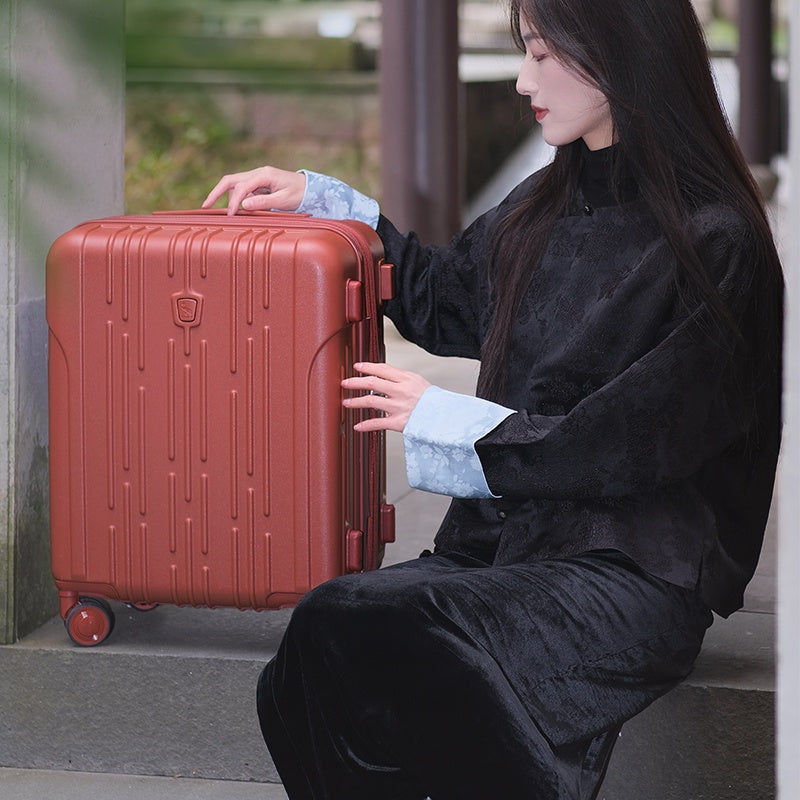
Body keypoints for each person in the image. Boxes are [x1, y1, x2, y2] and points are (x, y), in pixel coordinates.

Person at [203, 0, 783, 797]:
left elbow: (633, 440)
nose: (521, 81)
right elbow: (446, 296)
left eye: (541, 55)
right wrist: (326, 206)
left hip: (632, 572)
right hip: (499, 550)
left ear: (619, 55)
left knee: (401, 633)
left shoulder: (719, 241)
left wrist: (454, 424)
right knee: (321, 631)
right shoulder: (537, 208)